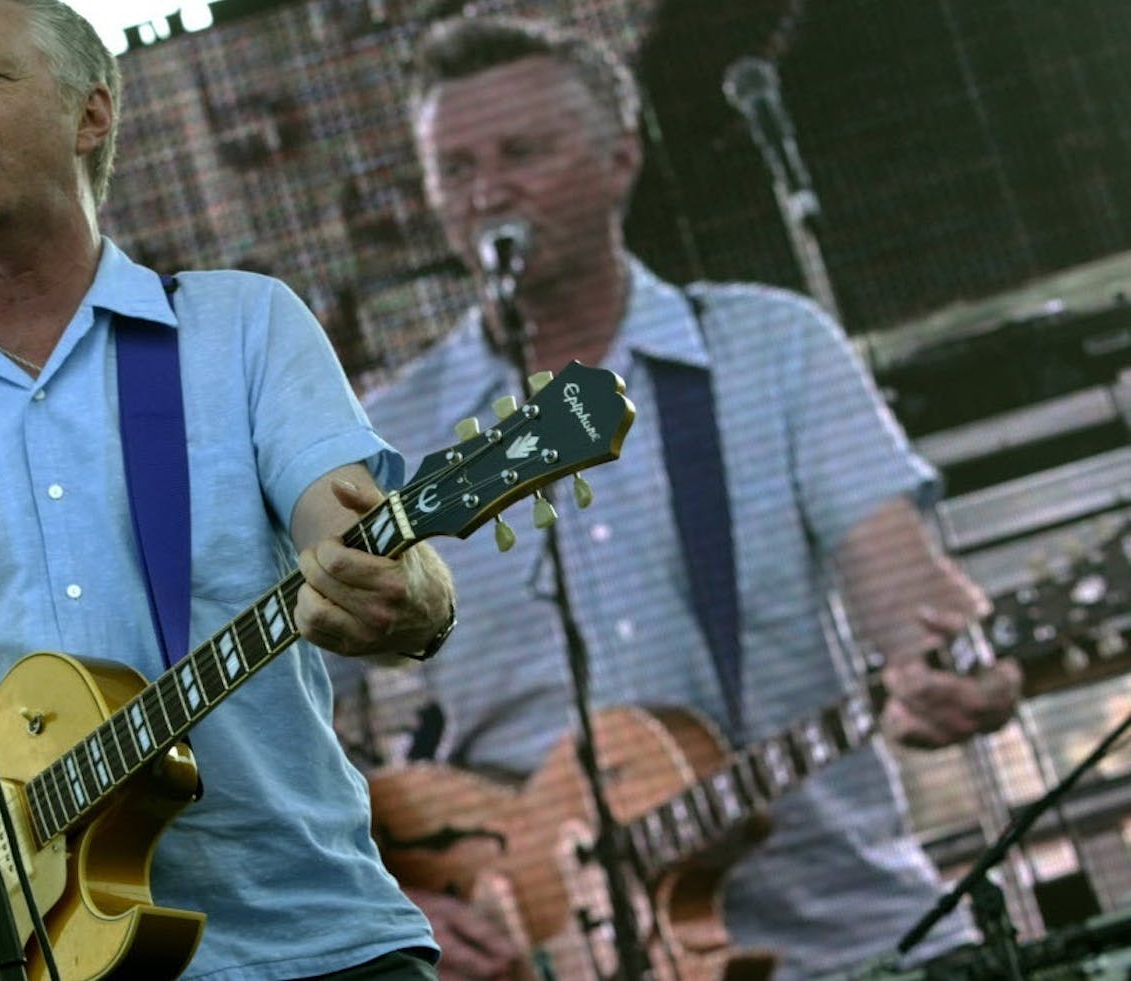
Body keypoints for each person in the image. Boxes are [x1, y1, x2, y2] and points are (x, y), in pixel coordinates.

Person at [0, 1, 457, 979]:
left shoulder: (240, 331)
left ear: (90, 113)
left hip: (311, 947)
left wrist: (401, 595)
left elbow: (353, 534)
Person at [328, 15, 1023, 981]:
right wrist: (383, 897)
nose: (488, 193)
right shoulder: (383, 440)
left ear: (621, 160)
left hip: (851, 939)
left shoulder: (772, 349)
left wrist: (951, 660)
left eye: (524, 153)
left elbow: (908, 593)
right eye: (455, 167)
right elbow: (275, 720)